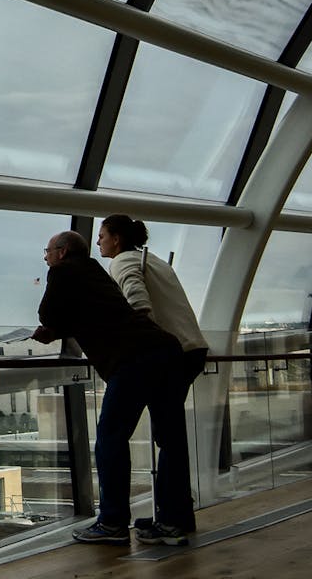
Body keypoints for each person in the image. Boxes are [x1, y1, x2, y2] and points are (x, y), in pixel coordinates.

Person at [33, 231, 189, 546]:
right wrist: (60, 329)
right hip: (166, 352)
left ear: (62, 252)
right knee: (170, 441)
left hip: (133, 361)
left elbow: (48, 313)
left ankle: (113, 523)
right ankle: (174, 521)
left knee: (110, 440)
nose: (45, 256)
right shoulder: (94, 271)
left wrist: (50, 327)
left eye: (47, 251)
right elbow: (94, 312)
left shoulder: (62, 271)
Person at [97, 214, 209, 537]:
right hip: (190, 349)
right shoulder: (155, 261)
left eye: (102, 235)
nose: (99, 242)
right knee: (171, 436)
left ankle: (166, 517)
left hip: (169, 352)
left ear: (116, 239)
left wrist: (139, 345)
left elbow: (138, 304)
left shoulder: (121, 263)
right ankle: (175, 515)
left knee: (132, 433)